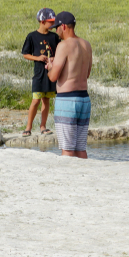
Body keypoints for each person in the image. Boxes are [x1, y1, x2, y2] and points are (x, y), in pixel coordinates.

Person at [46, 11, 93, 158]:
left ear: (64, 26)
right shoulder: (86, 44)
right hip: (84, 99)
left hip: (67, 100)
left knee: (67, 149)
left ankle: (68, 180)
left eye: (57, 28)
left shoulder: (64, 45)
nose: (56, 31)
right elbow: (87, 74)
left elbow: (53, 77)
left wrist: (49, 67)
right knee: (80, 148)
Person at [21, 7, 60, 137]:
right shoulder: (32, 36)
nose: (53, 24)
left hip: (50, 73)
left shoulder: (54, 37)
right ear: (42, 21)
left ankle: (43, 126)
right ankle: (28, 127)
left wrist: (54, 58)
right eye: (50, 22)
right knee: (35, 100)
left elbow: (60, 52)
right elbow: (25, 54)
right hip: (38, 74)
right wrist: (37, 58)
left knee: (46, 100)